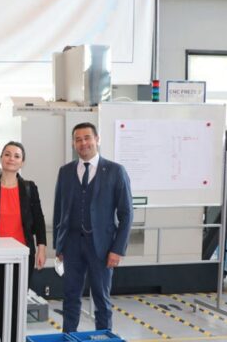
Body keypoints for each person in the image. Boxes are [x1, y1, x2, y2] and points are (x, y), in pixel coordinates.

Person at [53, 122, 133, 332]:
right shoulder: (65, 172)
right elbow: (59, 210)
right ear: (73, 144)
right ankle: (69, 336)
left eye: (87, 138)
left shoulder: (115, 171)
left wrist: (117, 249)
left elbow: (126, 214)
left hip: (103, 247)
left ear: (97, 139)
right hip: (71, 245)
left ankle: (103, 336)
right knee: (70, 297)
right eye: (78, 139)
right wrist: (58, 245)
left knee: (101, 299)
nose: (83, 143)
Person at [0, 141, 47, 342]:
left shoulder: (29, 188)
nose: (11, 159)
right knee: (0, 302)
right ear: (1, 158)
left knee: (17, 302)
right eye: (7, 154)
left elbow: (39, 220)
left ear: (22, 162)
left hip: (22, 255)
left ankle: (15, 338)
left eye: (16, 156)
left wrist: (41, 247)